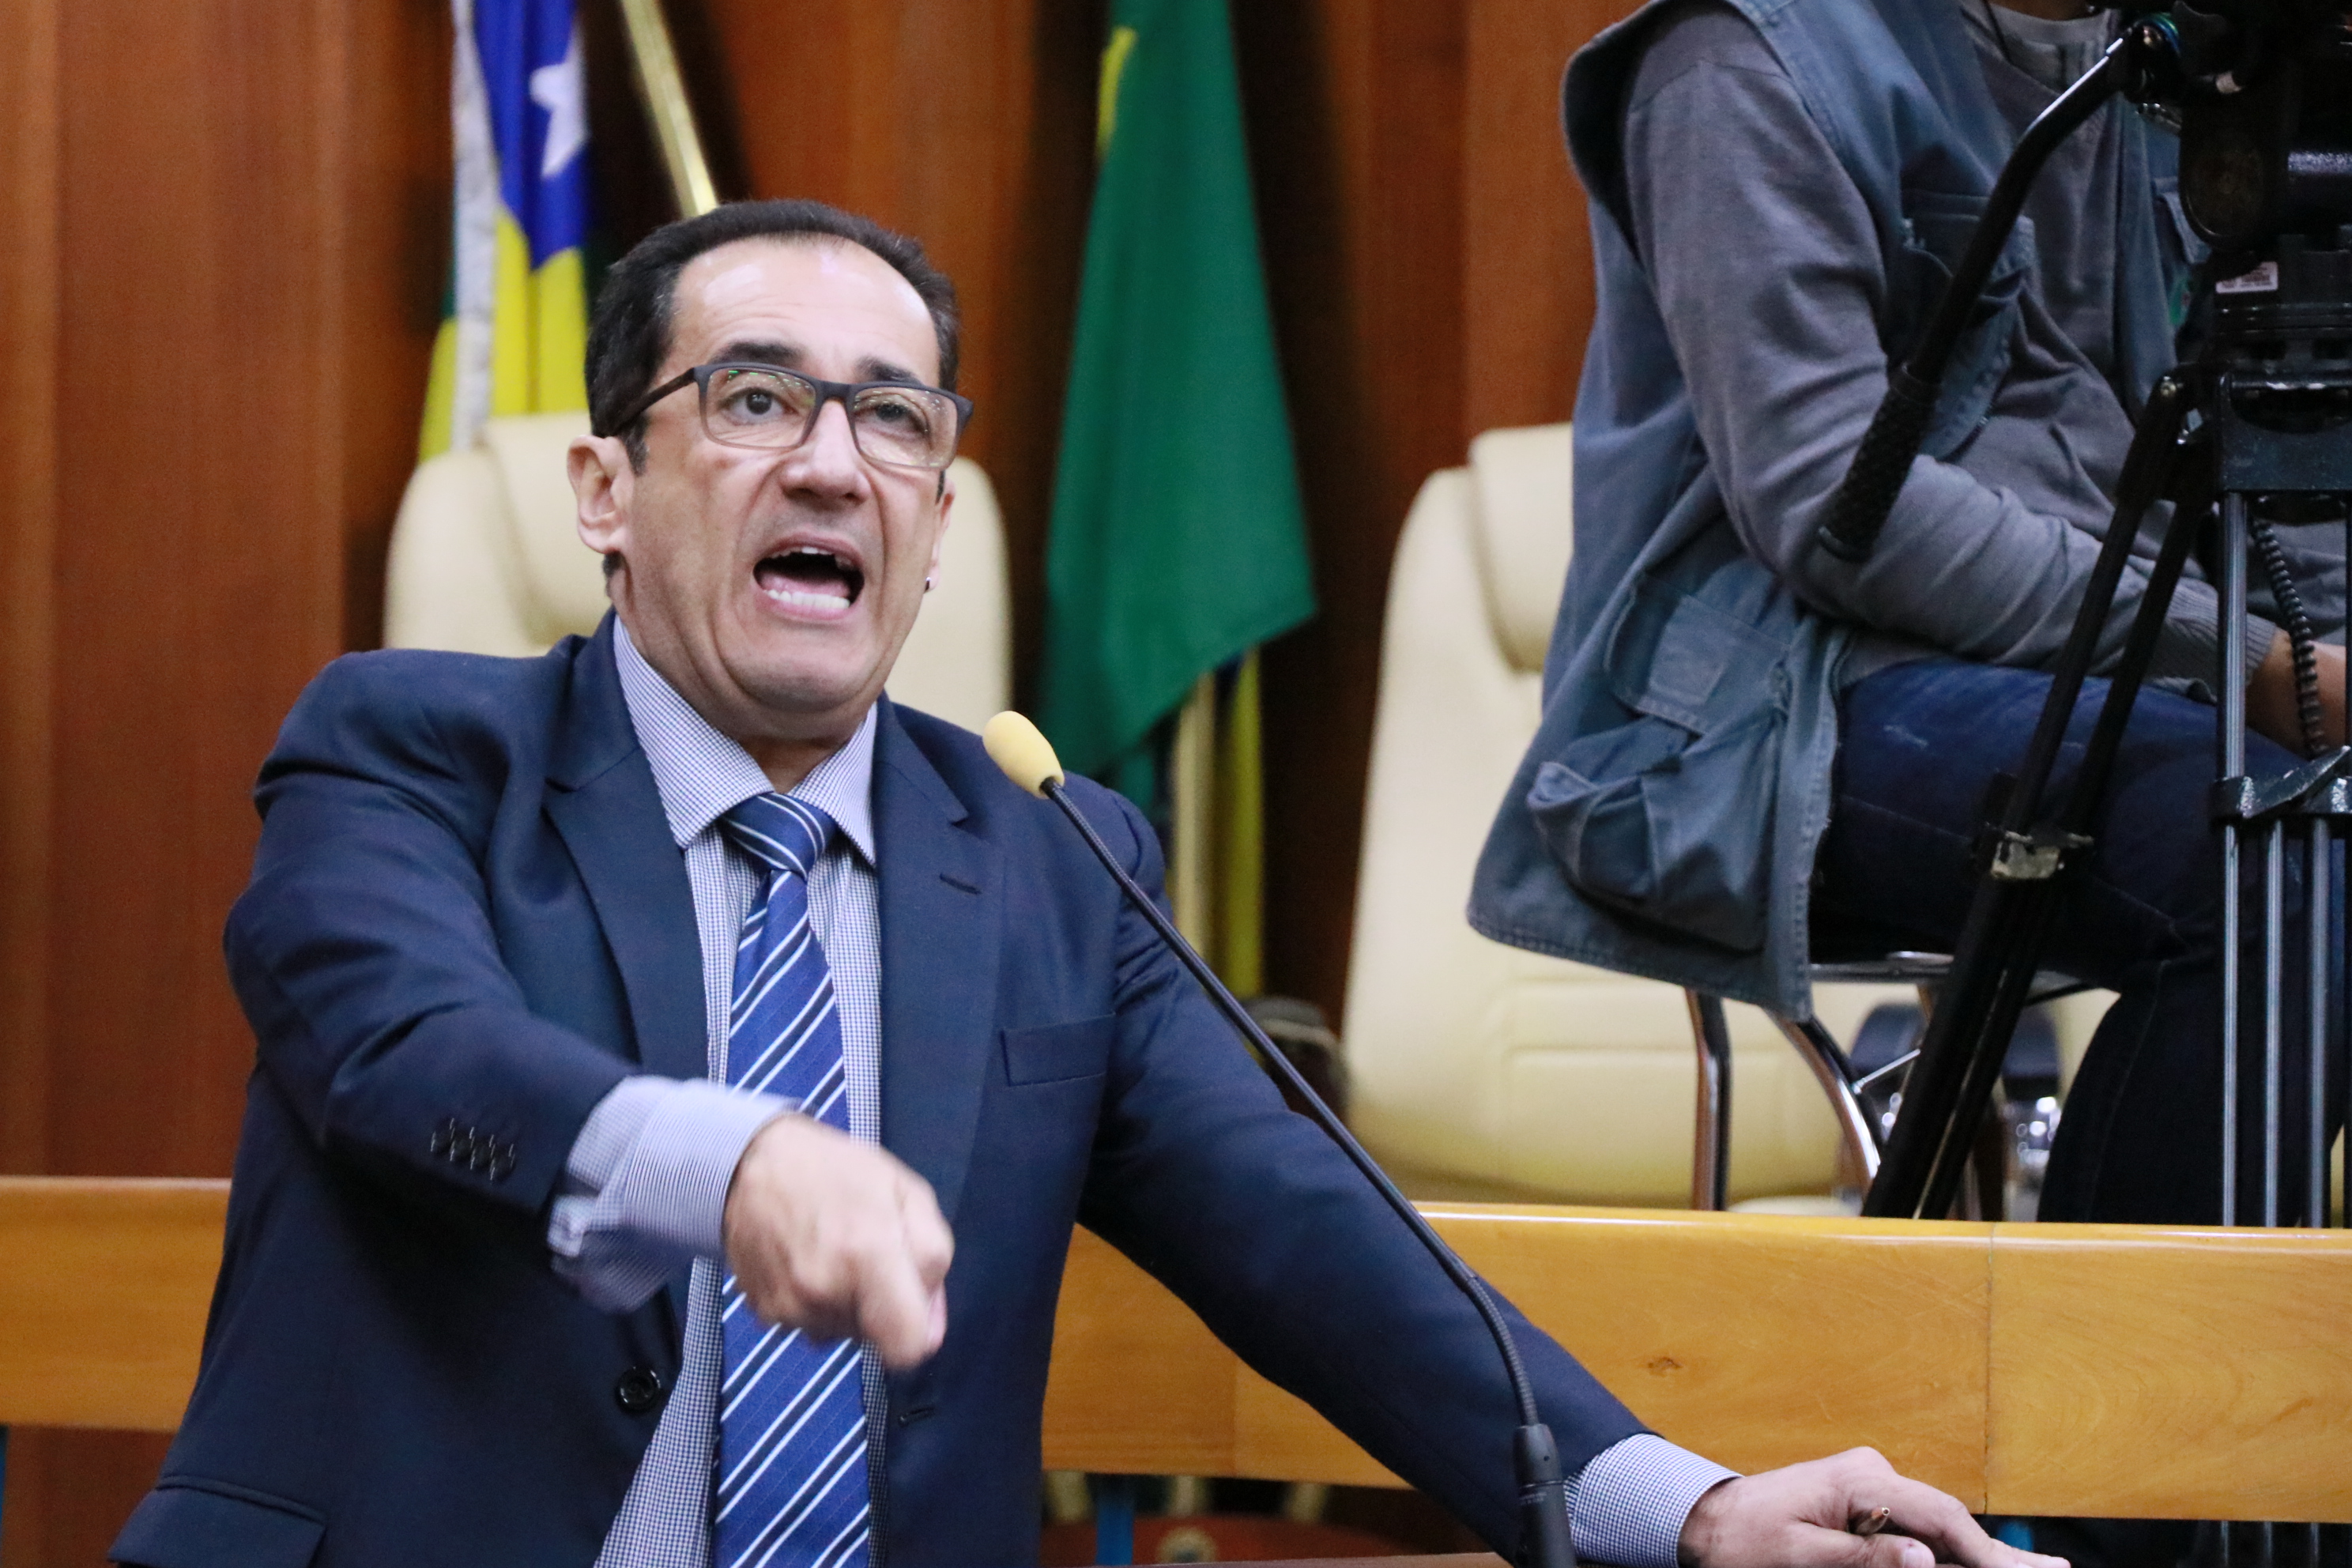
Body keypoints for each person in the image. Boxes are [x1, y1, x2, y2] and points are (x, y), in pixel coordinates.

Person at [114, 199, 2052, 1568]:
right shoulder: (411, 747)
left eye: (896, 417)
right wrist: (731, 1158)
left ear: (935, 522)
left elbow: (1318, 1240)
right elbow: (400, 1042)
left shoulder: (1048, 852)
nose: (834, 462)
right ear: (607, 491)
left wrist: (1685, 1504)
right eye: (757, 398)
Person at [1473, 0, 2348, 1230]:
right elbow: (1842, 510)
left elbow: (2291, 442)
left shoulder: (2210, 65)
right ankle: (2109, 1355)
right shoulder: (1740, 59)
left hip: (2129, 673)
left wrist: (2325, 661)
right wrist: (2264, 665)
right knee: (2276, 867)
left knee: (2308, 827)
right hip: (1788, 700)